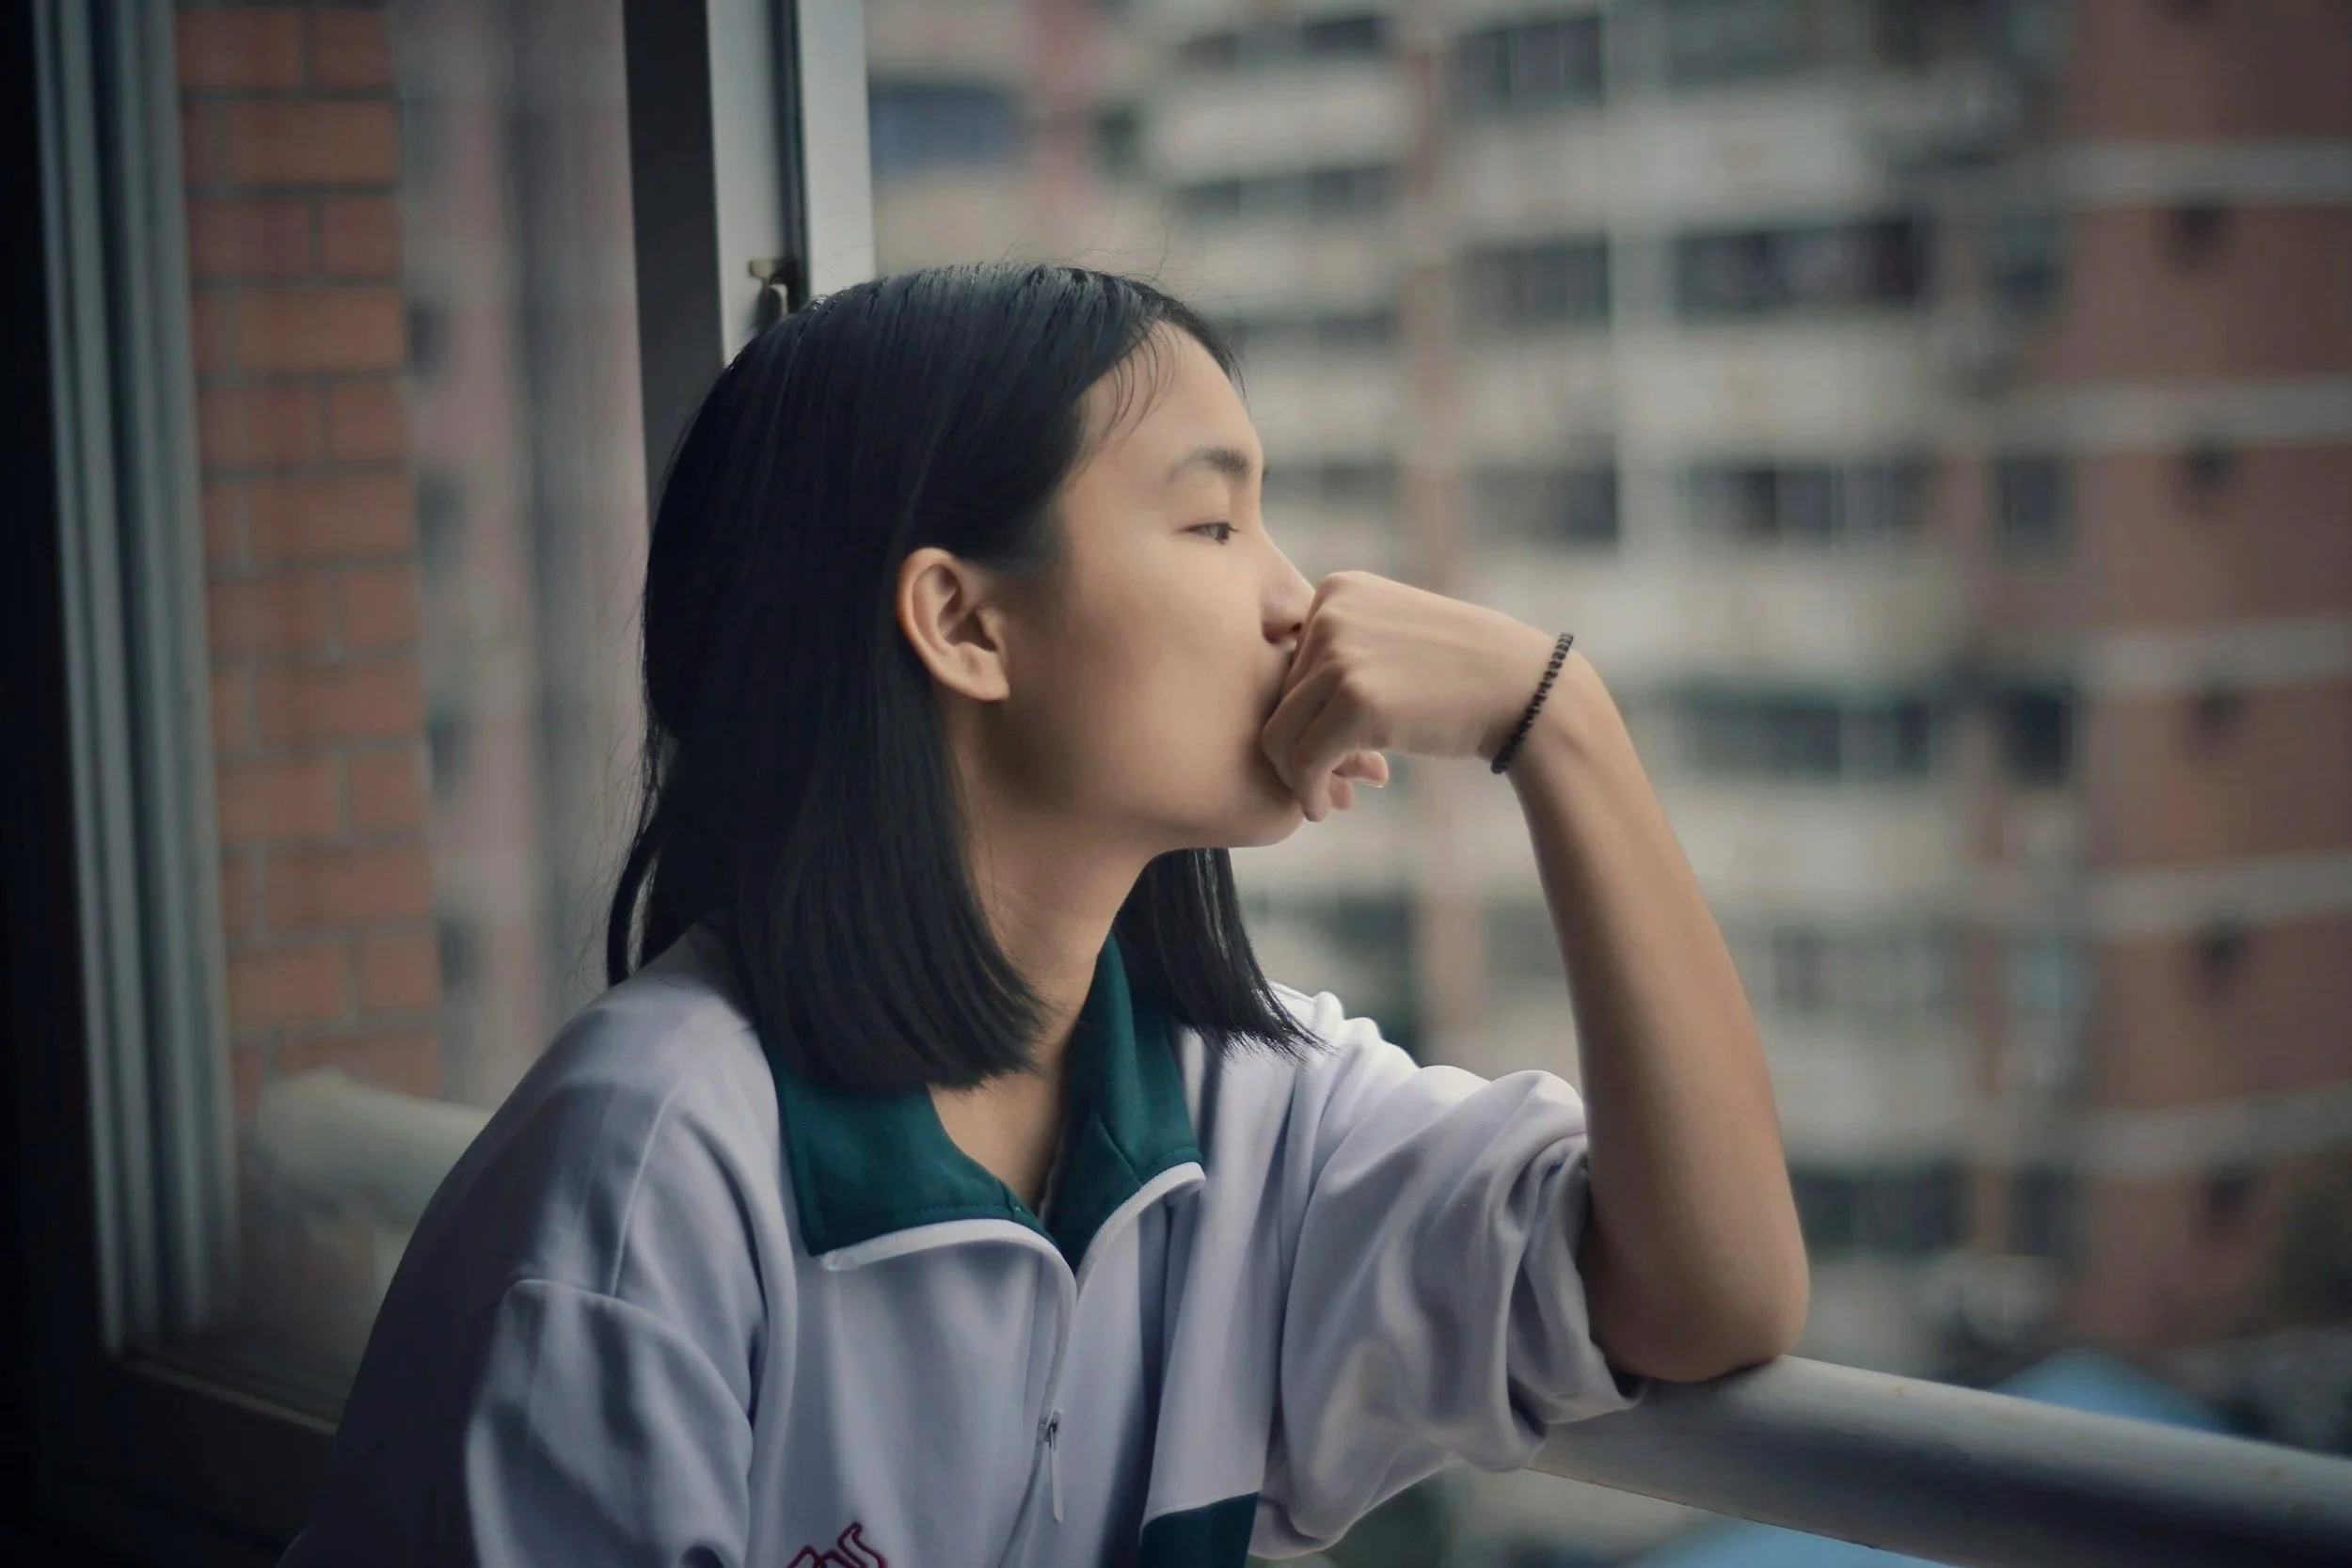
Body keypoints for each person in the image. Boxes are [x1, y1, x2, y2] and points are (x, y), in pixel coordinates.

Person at [278, 262, 1808, 1566]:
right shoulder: (649, 1169)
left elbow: (1704, 1294)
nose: (1304, 602)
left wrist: (1564, 722)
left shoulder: (1249, 1112)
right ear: (962, 621)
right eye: (1214, 527)